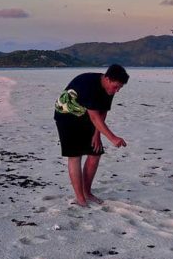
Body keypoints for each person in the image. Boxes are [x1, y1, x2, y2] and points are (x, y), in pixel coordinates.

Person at [53, 64, 129, 206]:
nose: (117, 90)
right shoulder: (89, 85)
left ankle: (87, 192)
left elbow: (102, 112)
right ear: (107, 79)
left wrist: (97, 135)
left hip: (86, 114)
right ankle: (80, 198)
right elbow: (95, 118)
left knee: (95, 153)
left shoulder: (109, 90)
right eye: (116, 86)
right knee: (75, 156)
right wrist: (113, 138)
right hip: (66, 116)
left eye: (120, 88)